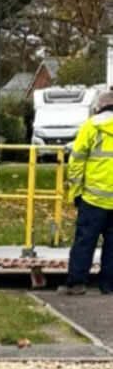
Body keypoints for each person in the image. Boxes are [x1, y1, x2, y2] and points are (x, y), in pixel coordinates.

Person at [62, 89, 113, 295]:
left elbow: (76, 162)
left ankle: (76, 283)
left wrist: (75, 192)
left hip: (93, 198)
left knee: (84, 242)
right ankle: (108, 285)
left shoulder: (90, 126)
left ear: (98, 106)